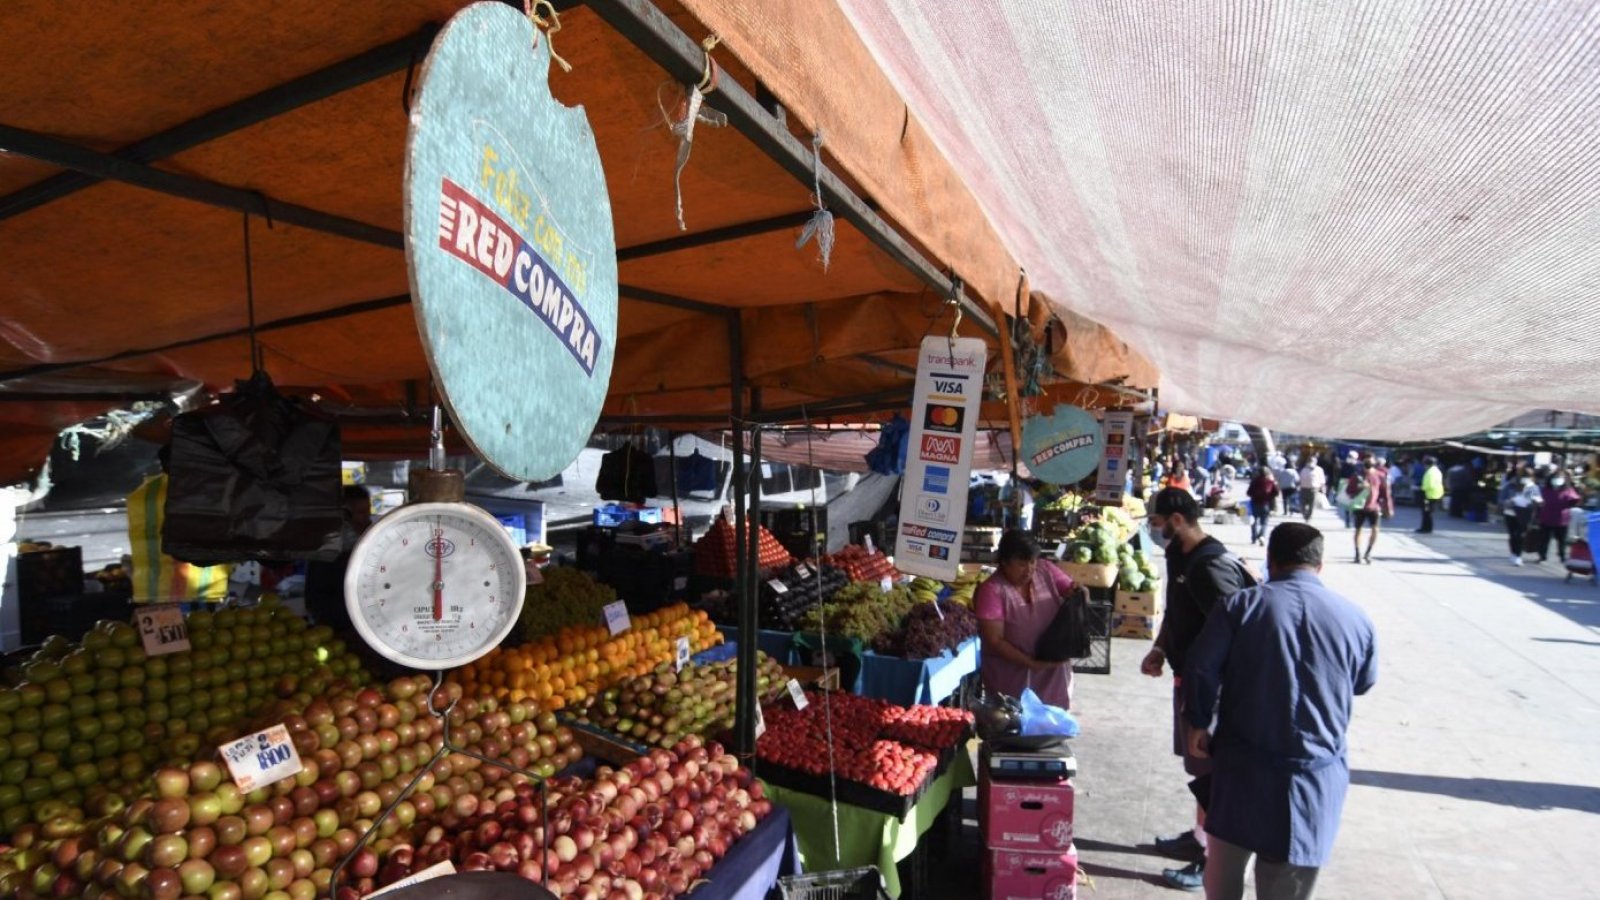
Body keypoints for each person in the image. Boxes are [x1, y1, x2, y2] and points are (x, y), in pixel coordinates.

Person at [1183, 523, 1377, 900]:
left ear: (1270, 560)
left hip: (1242, 772)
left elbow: (1201, 668)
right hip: (1313, 781)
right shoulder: (1357, 618)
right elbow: (1363, 683)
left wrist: (1198, 723)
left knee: (1222, 882)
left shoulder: (1240, 606)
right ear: (1319, 566)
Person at [1140, 488, 1253, 891]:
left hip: (1211, 687)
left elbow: (1238, 634)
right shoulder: (1179, 555)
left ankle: (1211, 861)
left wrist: (1209, 698)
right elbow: (1176, 610)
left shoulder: (1209, 566)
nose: (1153, 529)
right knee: (1200, 770)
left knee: (1214, 774)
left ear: (1175, 519)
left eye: (1155, 522)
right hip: (1188, 675)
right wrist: (1160, 647)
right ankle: (1200, 836)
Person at [974, 530, 1078, 710]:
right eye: (1022, 564)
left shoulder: (1045, 569)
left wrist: (1077, 593)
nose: (1029, 569)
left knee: (1052, 726)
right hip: (1010, 678)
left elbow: (1070, 588)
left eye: (1032, 562)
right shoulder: (991, 590)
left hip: (1053, 673)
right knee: (1014, 727)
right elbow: (994, 640)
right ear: (1004, 562)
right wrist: (1031, 663)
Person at [1350, 457, 1392, 564]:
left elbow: (1385, 492)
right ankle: (1357, 554)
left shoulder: (1380, 476)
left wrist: (1388, 507)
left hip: (1374, 507)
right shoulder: (1357, 475)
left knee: (1375, 529)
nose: (1367, 470)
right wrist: (1359, 487)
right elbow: (1349, 490)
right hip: (1360, 507)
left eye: (1370, 467)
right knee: (1358, 529)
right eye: (1366, 467)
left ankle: (1368, 553)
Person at [1535, 470, 1581, 564]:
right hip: (1546, 517)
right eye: (1555, 477)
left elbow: (1575, 500)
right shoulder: (1545, 489)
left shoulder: (1568, 490)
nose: (1557, 480)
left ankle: (1562, 556)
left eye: (1560, 478)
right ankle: (1542, 556)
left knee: (1561, 540)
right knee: (1544, 539)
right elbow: (1538, 499)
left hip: (1561, 519)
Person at [1500, 466, 1541, 566]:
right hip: (1510, 513)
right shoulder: (1510, 485)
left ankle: (1518, 555)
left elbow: (1538, 501)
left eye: (1528, 476)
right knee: (1513, 535)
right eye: (1524, 475)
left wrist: (1534, 503)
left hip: (1524, 514)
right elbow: (1501, 499)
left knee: (1520, 535)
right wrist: (1508, 502)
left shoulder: (1533, 488)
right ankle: (1513, 553)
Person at [1246, 468, 1278, 546]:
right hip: (1265, 504)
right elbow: (1276, 493)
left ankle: (1254, 538)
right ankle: (1262, 536)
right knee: (1264, 522)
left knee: (1253, 521)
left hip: (1254, 503)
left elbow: (1248, 492)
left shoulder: (1254, 482)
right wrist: (1269, 497)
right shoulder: (1270, 482)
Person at [1416, 456, 1445, 534]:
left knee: (1426, 512)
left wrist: (1422, 488)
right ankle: (1426, 528)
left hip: (1429, 494)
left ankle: (1426, 528)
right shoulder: (1437, 471)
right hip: (1435, 493)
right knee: (1428, 512)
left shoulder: (1430, 472)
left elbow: (1430, 484)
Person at [1297, 456, 1325, 523]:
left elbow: (1322, 480)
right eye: (1310, 461)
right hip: (1303, 489)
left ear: (1316, 462)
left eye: (1313, 461)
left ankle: (1308, 517)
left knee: (1311, 505)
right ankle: (1304, 514)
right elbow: (1300, 479)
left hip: (1314, 489)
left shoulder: (1319, 470)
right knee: (1302, 504)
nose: (1311, 462)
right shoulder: (1304, 469)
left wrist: (1322, 488)